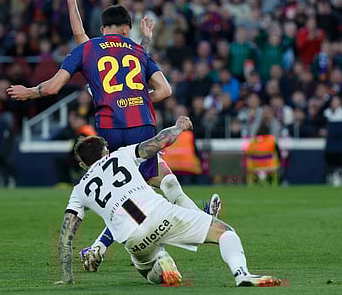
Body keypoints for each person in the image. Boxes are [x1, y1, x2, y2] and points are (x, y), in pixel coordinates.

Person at [8, 0, 221, 272]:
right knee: (161, 181)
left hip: (109, 129)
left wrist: (29, 91)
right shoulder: (136, 48)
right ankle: (199, 219)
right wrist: (136, 93)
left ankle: (99, 247)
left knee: (123, 190)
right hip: (142, 125)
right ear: (126, 28)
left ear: (102, 28)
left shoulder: (88, 48)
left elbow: (56, 83)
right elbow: (164, 90)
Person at [55, 116, 281, 287]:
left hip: (133, 240)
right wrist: (179, 127)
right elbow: (158, 142)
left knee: (150, 273)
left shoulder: (79, 190)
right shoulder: (120, 155)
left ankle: (161, 261)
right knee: (224, 231)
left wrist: (67, 275)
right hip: (160, 214)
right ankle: (242, 274)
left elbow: (66, 236)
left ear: (83, 165)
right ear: (106, 151)